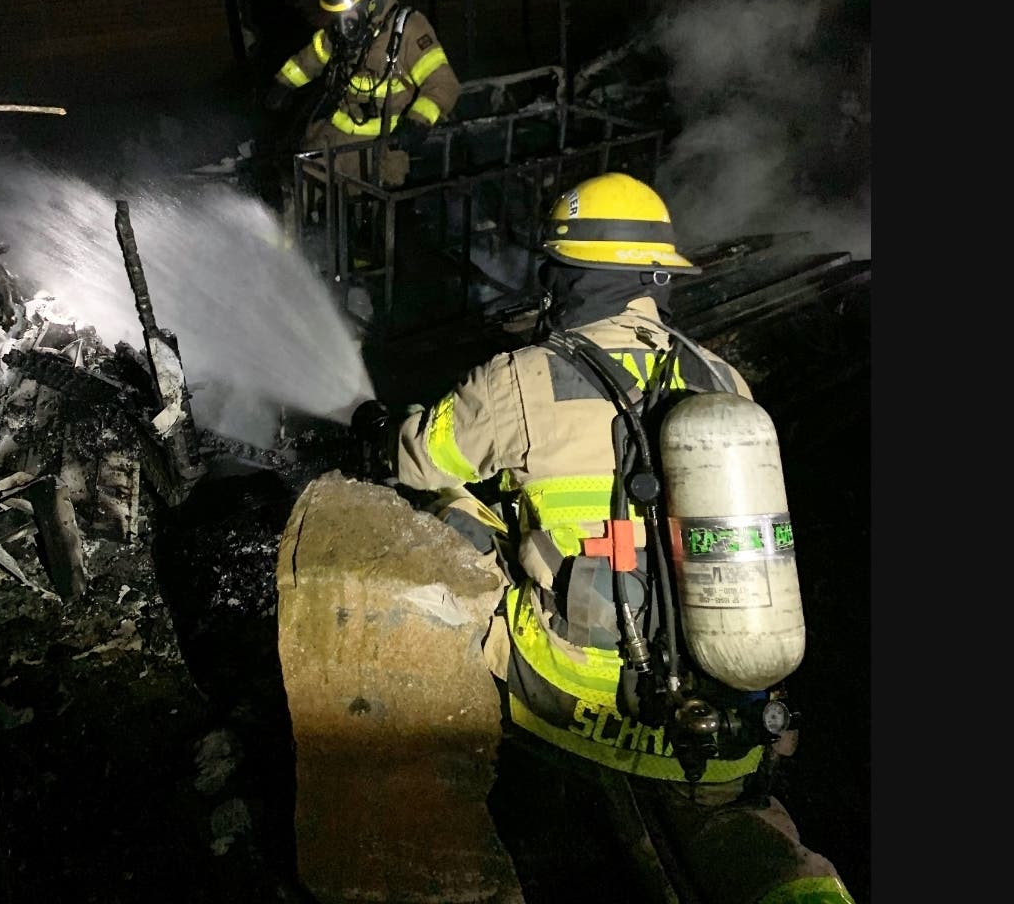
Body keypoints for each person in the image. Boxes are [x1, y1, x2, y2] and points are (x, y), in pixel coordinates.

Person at [351, 171, 854, 904]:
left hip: (568, 699)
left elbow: (418, 458)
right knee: (765, 863)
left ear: (566, 276)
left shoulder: (524, 377)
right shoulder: (724, 379)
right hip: (720, 719)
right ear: (656, 281)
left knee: (446, 503)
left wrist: (384, 426)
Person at [264, 0, 460, 192]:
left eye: (347, 13)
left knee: (367, 211)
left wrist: (418, 122)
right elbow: (313, 56)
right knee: (303, 180)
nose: (343, 23)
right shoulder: (344, 31)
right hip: (338, 134)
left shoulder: (408, 30)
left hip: (385, 145)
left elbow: (443, 84)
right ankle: (291, 230)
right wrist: (283, 83)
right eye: (338, 15)